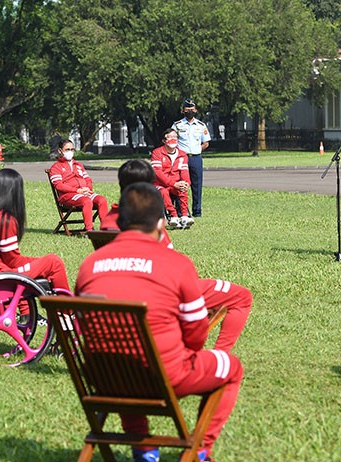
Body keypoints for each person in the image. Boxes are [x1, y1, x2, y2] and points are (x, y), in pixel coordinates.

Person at [77, 182, 243, 462]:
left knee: (124, 357)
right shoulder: (175, 263)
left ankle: (143, 450)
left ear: (123, 221)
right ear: (160, 223)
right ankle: (200, 449)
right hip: (165, 376)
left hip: (105, 376)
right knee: (232, 368)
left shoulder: (90, 264)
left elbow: (85, 327)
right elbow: (196, 335)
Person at [102, 159, 252, 352]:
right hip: (163, 291)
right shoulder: (148, 222)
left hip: (121, 288)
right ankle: (220, 354)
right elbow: (170, 261)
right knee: (241, 296)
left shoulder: (108, 221)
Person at [0, 168, 70, 294]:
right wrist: (38, 263)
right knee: (54, 262)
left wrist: (36, 263)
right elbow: (12, 260)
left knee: (43, 263)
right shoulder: (5, 220)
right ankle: (68, 311)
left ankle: (27, 313)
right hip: (1, 274)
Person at [48, 139, 108, 231]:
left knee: (102, 200)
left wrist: (87, 189)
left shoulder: (78, 165)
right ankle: (90, 230)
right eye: (67, 150)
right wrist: (77, 191)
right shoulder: (56, 167)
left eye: (72, 149)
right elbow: (59, 185)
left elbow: (88, 179)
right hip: (68, 196)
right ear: (60, 151)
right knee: (86, 201)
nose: (70, 152)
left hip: (84, 192)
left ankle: (106, 229)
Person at [172, 98, 210, 218]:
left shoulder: (201, 125)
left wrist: (198, 150)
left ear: (196, 110)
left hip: (196, 158)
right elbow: (172, 140)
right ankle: (181, 210)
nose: (190, 111)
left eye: (192, 109)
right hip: (181, 158)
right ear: (183, 111)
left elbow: (206, 142)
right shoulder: (177, 125)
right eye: (187, 109)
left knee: (197, 185)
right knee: (181, 184)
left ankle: (197, 211)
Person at [151, 128, 193, 228]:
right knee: (164, 192)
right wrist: (173, 183)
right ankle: (173, 216)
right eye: (169, 137)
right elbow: (158, 173)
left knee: (183, 189)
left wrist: (186, 183)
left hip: (176, 183)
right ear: (164, 141)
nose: (172, 139)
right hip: (159, 184)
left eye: (175, 137)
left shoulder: (182, 155)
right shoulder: (157, 153)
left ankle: (184, 216)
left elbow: (184, 171)